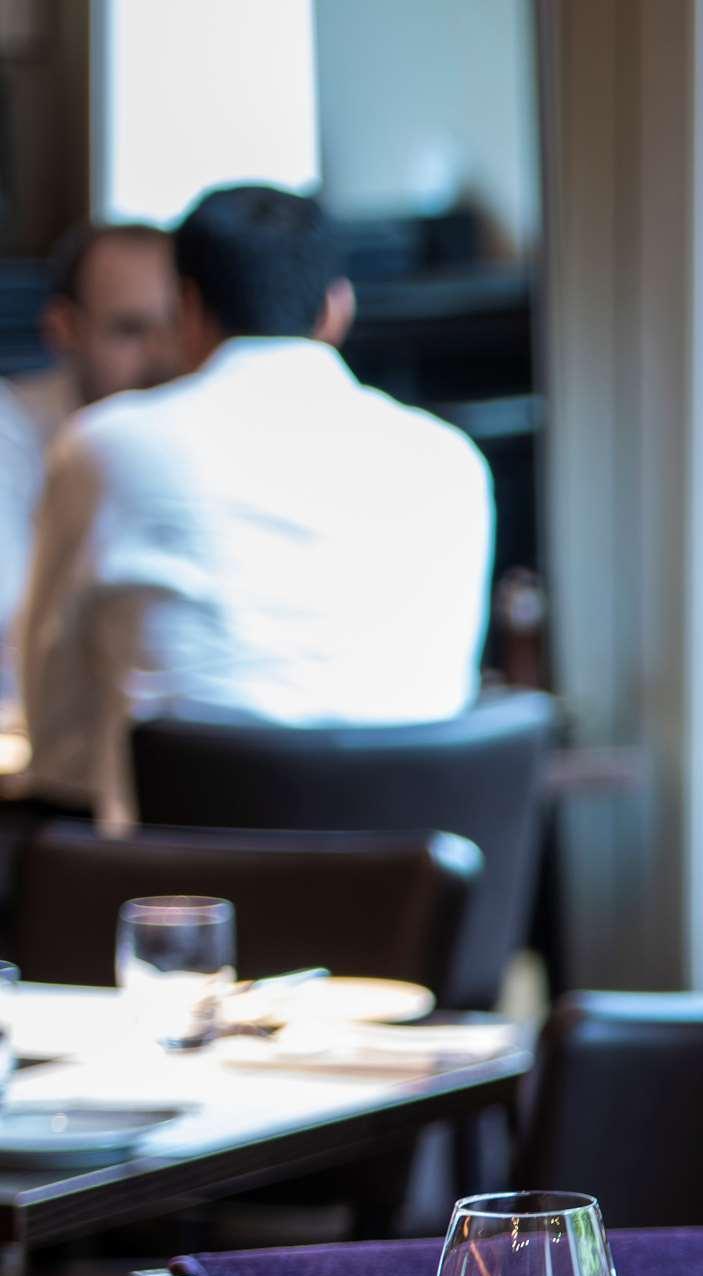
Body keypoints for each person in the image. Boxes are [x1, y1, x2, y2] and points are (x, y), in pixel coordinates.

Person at [16, 184, 491, 813]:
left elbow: (58, 734)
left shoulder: (106, 447)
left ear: (186, 307)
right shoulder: (452, 461)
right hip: (408, 893)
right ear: (337, 309)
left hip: (177, 898)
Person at [0, 221, 177, 632]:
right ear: (64, 327)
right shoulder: (10, 428)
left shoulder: (203, 429)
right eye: (130, 330)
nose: (160, 356)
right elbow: (11, 616)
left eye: (175, 327)